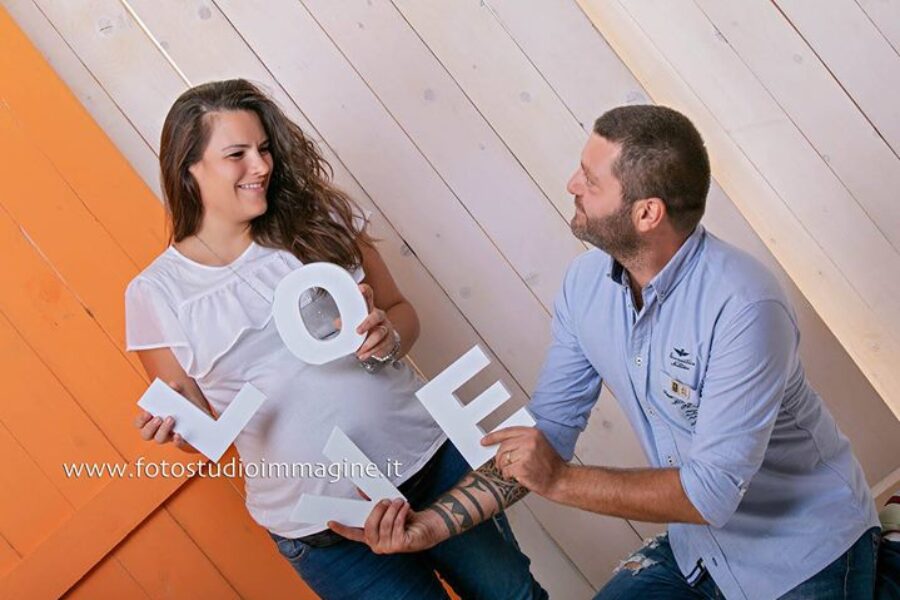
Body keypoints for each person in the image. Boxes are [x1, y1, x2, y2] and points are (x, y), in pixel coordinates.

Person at [331, 105, 882, 599]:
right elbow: (547, 432)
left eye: (590, 180)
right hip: (700, 551)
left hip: (805, 553)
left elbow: (710, 492)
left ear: (647, 214)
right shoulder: (587, 284)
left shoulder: (744, 305)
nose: (571, 183)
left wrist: (559, 480)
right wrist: (429, 526)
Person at [125, 79, 546, 600]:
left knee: (515, 596)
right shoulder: (157, 293)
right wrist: (175, 430)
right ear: (189, 167)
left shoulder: (318, 221)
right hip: (324, 524)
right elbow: (201, 432)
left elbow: (401, 314)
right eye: (237, 154)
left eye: (263, 149)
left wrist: (388, 336)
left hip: (430, 464)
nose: (260, 166)